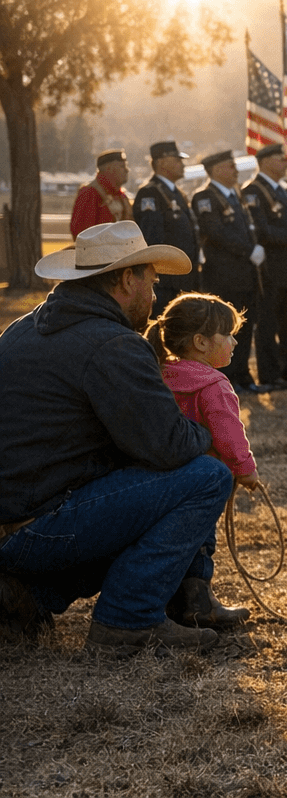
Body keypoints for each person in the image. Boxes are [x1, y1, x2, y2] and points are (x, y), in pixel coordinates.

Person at [0, 222, 225, 655]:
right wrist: (208, 431)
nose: (156, 297)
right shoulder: (112, 344)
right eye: (153, 283)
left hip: (15, 521)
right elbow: (169, 447)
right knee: (206, 476)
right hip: (37, 528)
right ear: (127, 279)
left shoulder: (22, 328)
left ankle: (28, 595)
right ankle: (129, 621)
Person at [146, 292, 262, 628]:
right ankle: (198, 603)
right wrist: (246, 471)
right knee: (201, 542)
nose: (234, 342)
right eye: (227, 335)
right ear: (200, 342)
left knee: (171, 540)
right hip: (202, 485)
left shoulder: (159, 374)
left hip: (161, 480)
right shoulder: (215, 385)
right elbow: (229, 435)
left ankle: (173, 601)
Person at [192, 151, 268, 395]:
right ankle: (226, 376)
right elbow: (216, 233)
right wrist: (249, 250)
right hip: (223, 276)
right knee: (223, 330)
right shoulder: (205, 197)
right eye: (230, 166)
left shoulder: (235, 195)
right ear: (215, 170)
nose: (235, 171)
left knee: (244, 327)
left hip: (245, 276)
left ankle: (242, 374)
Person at [244, 143, 287, 389]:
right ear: (264, 162)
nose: (285, 163)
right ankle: (270, 373)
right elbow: (261, 230)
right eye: (279, 159)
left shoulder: (284, 190)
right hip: (270, 270)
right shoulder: (253, 191)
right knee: (268, 323)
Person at [134, 141, 200, 314]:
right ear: (161, 163)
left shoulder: (177, 193)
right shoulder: (151, 193)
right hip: (165, 282)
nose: (182, 164)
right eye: (176, 160)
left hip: (183, 279)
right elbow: (152, 239)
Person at [70, 149, 132, 239]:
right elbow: (82, 234)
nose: (127, 170)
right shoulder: (89, 193)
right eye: (122, 166)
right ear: (109, 168)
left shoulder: (122, 196)